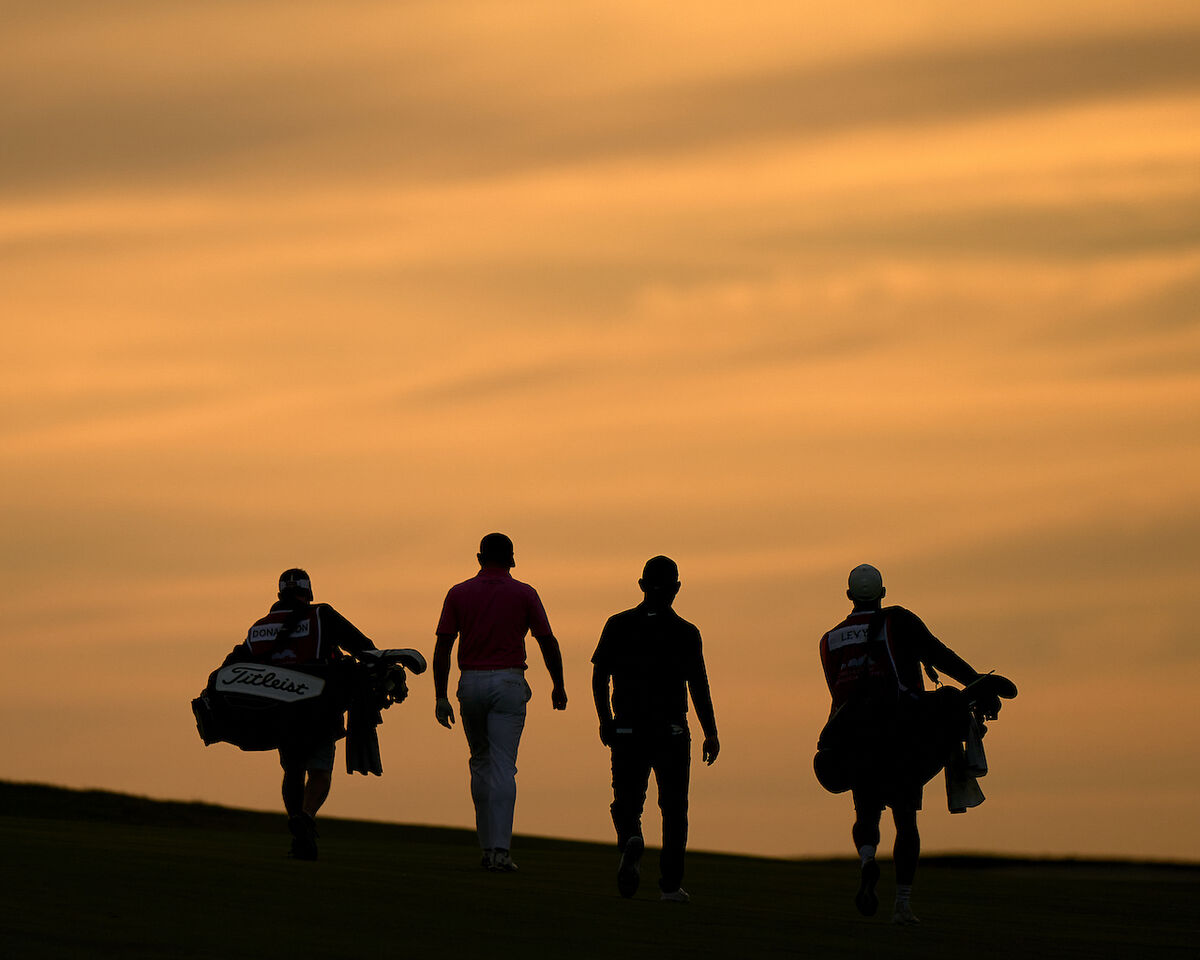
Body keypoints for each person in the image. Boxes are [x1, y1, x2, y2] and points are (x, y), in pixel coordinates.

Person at [817, 563, 992, 925]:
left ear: (849, 596)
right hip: (903, 734)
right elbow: (940, 655)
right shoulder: (899, 621)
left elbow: (837, 693)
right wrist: (978, 682)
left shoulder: (830, 639)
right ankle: (902, 905)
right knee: (905, 818)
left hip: (854, 737)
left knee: (865, 812)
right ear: (882, 593)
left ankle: (867, 860)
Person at [432, 533, 568, 872]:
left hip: (471, 683)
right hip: (507, 681)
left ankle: (486, 847)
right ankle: (500, 850)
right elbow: (547, 641)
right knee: (503, 765)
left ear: (479, 558)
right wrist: (558, 684)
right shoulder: (524, 592)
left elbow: (443, 648)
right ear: (512, 559)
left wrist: (440, 695)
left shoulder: (459, 593)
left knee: (480, 761)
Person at [591, 556, 719, 903]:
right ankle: (669, 886)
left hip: (628, 729)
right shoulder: (686, 632)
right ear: (677, 588)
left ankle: (631, 838)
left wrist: (605, 720)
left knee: (626, 803)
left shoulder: (617, 625)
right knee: (675, 808)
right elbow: (699, 686)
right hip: (672, 732)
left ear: (641, 585)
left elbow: (599, 677)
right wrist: (711, 732)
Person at [228, 567, 378, 860]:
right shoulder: (321, 615)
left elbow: (234, 664)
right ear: (308, 593)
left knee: (292, 771)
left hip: (278, 714)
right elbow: (365, 648)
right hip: (320, 710)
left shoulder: (259, 627)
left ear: (278, 594)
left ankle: (297, 826)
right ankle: (306, 818)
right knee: (320, 773)